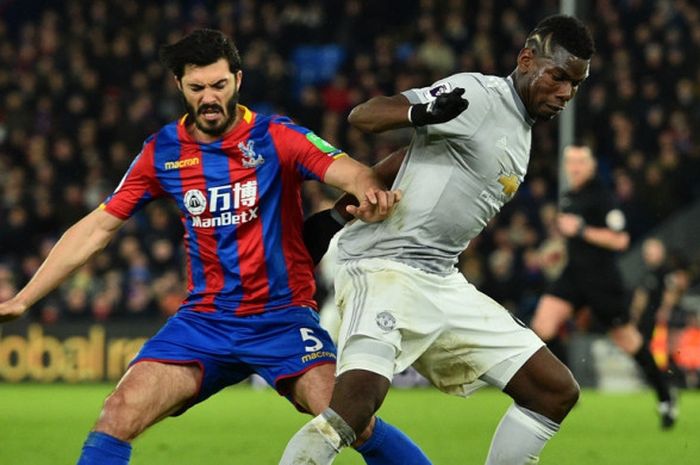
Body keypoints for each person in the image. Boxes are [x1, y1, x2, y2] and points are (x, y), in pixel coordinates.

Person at [0, 29, 434, 465]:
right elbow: (97, 227)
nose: (209, 97)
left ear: (238, 80)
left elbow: (349, 171)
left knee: (350, 422)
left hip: (281, 320)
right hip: (205, 322)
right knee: (117, 413)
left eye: (219, 85)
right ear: (179, 87)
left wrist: (369, 190)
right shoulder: (163, 151)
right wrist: (23, 299)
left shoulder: (276, 137)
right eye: (197, 88)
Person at [280, 15, 593, 465]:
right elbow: (365, 115)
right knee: (354, 407)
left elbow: (415, 158)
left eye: (575, 85)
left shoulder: (521, 129)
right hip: (383, 265)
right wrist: (419, 112)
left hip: (440, 279)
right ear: (527, 60)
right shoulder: (481, 97)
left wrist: (339, 209)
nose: (565, 93)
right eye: (559, 77)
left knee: (554, 391)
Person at [531, 145, 677, 429]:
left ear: (591, 166)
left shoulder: (603, 197)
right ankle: (565, 387)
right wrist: (561, 248)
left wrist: (582, 230)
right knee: (542, 327)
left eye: (580, 162)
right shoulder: (570, 196)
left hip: (601, 281)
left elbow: (620, 240)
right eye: (570, 162)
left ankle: (665, 395)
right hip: (574, 275)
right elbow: (576, 238)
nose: (573, 167)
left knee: (628, 341)